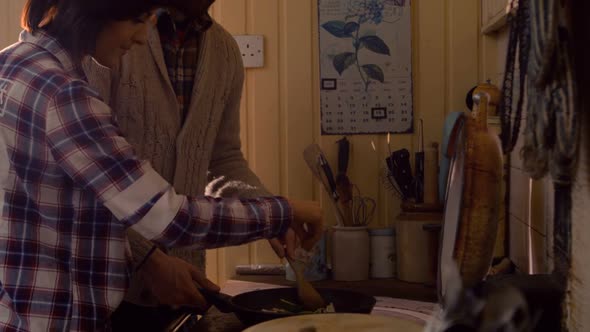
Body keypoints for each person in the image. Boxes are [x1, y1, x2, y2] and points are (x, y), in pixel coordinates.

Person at [0, 0, 322, 331]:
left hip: (28, 308)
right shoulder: (69, 89)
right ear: (95, 12)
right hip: (80, 307)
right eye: (139, 20)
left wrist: (267, 207)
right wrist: (279, 212)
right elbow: (167, 217)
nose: (142, 35)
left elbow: (222, 157)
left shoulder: (13, 63)